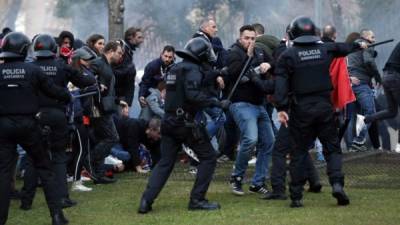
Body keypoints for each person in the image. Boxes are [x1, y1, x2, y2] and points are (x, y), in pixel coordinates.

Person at [274, 16, 367, 207]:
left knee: (298, 152)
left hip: (300, 110)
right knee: (332, 149)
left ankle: (296, 195)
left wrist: (282, 109)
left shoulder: (287, 56)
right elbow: (345, 47)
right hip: (325, 108)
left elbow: (280, 86)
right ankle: (337, 185)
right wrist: (359, 45)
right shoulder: (325, 49)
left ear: (293, 33)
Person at [138, 37, 230, 213]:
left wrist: (219, 73)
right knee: (209, 157)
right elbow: (193, 95)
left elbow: (194, 81)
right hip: (186, 124)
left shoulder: (175, 68)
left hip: (169, 121)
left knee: (165, 162)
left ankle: (145, 201)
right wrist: (218, 103)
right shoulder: (193, 70)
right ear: (201, 54)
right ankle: (197, 200)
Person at [0, 32, 72, 225]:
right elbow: (53, 91)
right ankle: (57, 216)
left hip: (4, 126)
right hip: (29, 126)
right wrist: (67, 96)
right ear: (24, 50)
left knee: (4, 173)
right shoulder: (32, 70)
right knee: (44, 168)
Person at [19, 34, 96, 210]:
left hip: (36, 116)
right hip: (58, 115)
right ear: (54, 49)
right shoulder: (62, 66)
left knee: (33, 158)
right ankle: (62, 198)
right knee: (59, 157)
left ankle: (26, 201)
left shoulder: (29, 67)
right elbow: (85, 80)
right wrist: (94, 77)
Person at [226, 25, 275, 196]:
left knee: (269, 142)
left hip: (259, 104)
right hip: (241, 103)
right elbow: (233, 74)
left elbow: (276, 62)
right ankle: (236, 178)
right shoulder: (233, 53)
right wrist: (247, 57)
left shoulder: (260, 51)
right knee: (251, 139)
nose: (250, 41)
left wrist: (268, 64)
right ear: (240, 38)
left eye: (253, 38)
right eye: (247, 38)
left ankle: (257, 182)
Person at [89, 41, 123, 184]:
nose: (121, 56)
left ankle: (99, 173)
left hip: (106, 108)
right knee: (112, 138)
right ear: (110, 51)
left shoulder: (106, 65)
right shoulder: (98, 63)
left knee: (105, 139)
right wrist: (97, 85)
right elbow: (87, 76)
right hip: (98, 109)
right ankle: (90, 161)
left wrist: (117, 101)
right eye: (119, 52)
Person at [347, 29, 382, 151]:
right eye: (372, 37)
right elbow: (369, 61)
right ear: (365, 37)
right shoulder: (366, 46)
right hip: (361, 85)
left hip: (351, 85)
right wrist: (378, 77)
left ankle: (352, 147)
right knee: (371, 113)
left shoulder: (352, 48)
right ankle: (359, 141)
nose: (374, 40)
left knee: (353, 118)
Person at [113, 27, 144, 107]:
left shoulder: (127, 50)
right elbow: (114, 71)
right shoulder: (121, 49)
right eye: (139, 37)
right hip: (116, 95)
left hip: (119, 94)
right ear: (130, 38)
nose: (142, 40)